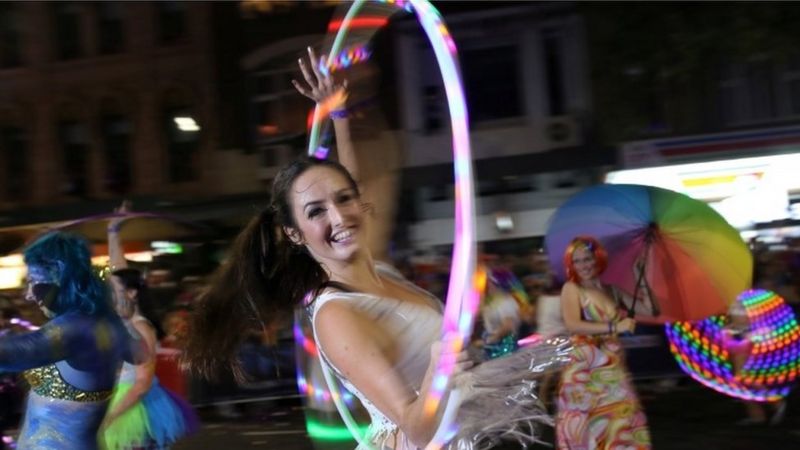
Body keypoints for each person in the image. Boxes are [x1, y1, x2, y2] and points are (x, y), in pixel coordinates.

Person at [185, 47, 570, 450]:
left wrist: (339, 115)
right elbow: (415, 427)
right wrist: (440, 370)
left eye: (345, 200)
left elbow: (349, 182)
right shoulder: (337, 314)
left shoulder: (377, 269)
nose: (339, 217)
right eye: (316, 212)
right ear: (295, 234)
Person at [0, 232, 144, 449]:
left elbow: (12, 353)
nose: (29, 294)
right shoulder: (102, 321)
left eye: (33, 281)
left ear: (59, 277)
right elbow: (138, 352)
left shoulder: (75, 329)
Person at [101, 206, 198, 449]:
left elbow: (142, 384)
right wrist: (112, 232)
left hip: (134, 406)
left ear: (132, 293)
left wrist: (110, 418)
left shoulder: (141, 328)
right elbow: (118, 271)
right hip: (116, 398)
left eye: (115, 291)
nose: (109, 295)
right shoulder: (122, 319)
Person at [557, 236, 659, 450]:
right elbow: (573, 325)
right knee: (591, 423)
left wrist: (639, 274)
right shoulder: (572, 288)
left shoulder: (611, 290)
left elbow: (650, 310)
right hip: (584, 369)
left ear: (598, 259)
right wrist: (615, 327)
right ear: (571, 264)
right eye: (578, 261)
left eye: (588, 259)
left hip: (612, 365)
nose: (584, 265)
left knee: (621, 417)